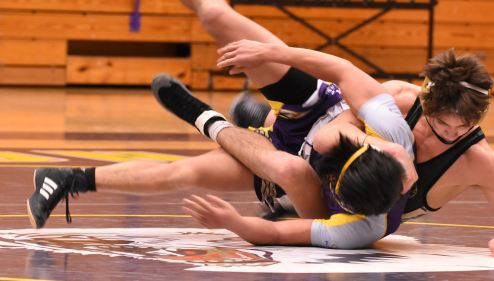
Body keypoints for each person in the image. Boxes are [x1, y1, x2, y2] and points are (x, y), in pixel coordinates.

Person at [26, 0, 418, 250]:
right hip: (314, 108)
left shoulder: (359, 229)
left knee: (190, 173)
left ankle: (68, 177)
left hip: (288, 163)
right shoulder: (392, 138)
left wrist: (234, 223)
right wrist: (272, 52)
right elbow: (347, 71)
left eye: (337, 193)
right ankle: (236, 118)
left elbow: (282, 234)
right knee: (216, 15)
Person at [211, 40, 494, 257]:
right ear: (426, 104)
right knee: (293, 139)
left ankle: (255, 120)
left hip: (364, 209)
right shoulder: (399, 101)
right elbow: (331, 126)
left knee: (336, 227)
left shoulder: (480, 161)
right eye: (441, 124)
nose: (450, 134)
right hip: (326, 161)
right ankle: (259, 119)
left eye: (463, 128)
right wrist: (272, 53)